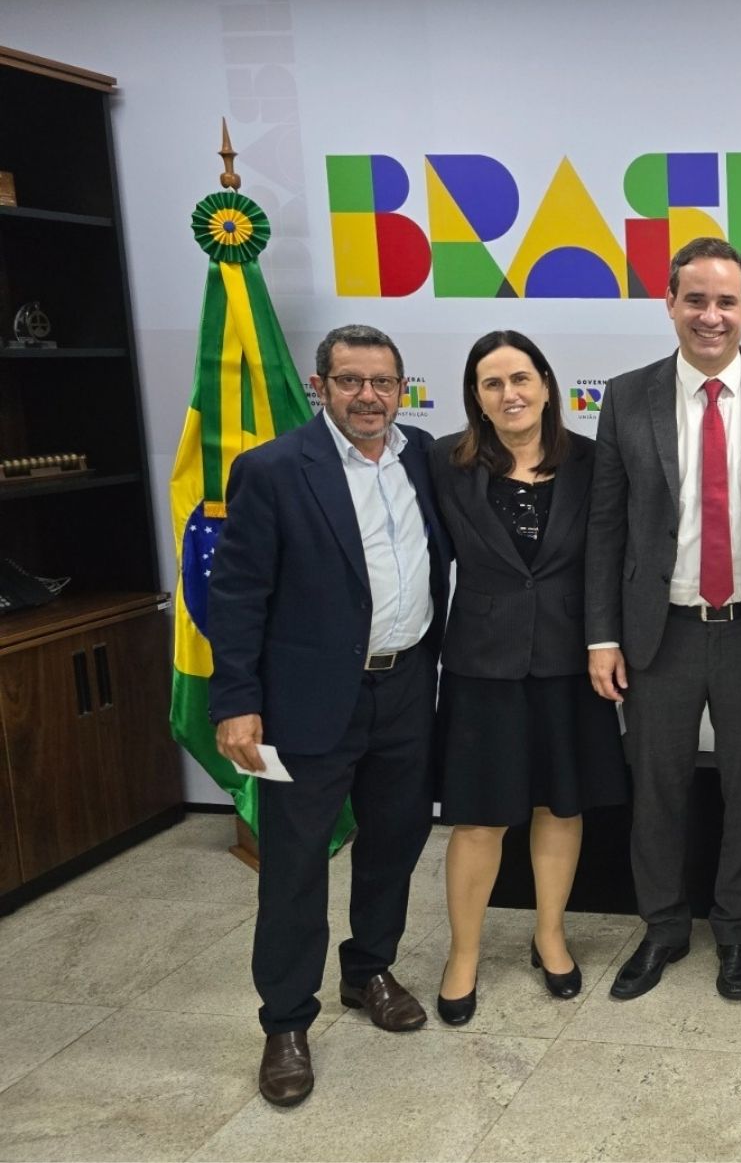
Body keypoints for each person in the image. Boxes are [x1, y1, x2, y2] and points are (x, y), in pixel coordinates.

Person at [209, 324, 450, 1107]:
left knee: (394, 842)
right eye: (350, 380)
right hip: (308, 701)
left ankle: (369, 968)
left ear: (402, 388)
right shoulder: (275, 469)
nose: (368, 396)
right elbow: (237, 594)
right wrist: (236, 701)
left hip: (406, 688)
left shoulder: (424, 457)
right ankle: (285, 1020)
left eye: (383, 381)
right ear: (321, 386)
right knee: (294, 865)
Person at [587, 237, 741, 1001]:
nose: (710, 316)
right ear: (669, 303)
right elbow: (605, 526)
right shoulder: (626, 396)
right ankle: (662, 926)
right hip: (658, 632)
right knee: (656, 788)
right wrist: (601, 634)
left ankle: (735, 930)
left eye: (726, 301)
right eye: (695, 299)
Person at [428, 330, 627, 1026]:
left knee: (561, 807)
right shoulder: (443, 463)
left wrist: (611, 640)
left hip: (571, 664)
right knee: (479, 818)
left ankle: (550, 935)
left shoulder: (593, 461)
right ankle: (463, 954)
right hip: (482, 666)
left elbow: (612, 559)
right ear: (476, 398)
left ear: (546, 384)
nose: (509, 393)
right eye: (492, 383)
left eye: (520, 378)